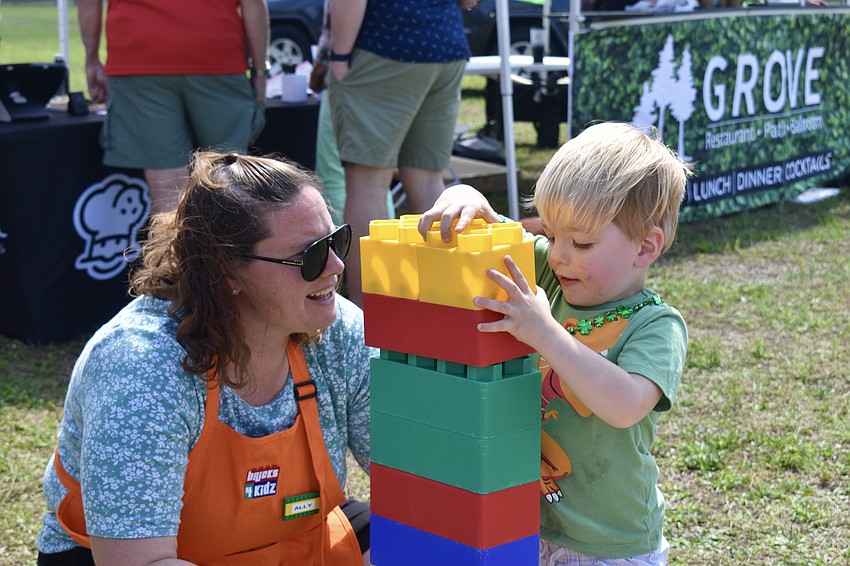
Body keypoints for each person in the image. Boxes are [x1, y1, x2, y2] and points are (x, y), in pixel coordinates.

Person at [35, 152, 374, 566]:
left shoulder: (338, 331)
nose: (337, 267)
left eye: (336, 241)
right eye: (309, 257)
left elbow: (427, 477)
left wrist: (466, 301)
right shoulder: (142, 366)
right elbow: (138, 561)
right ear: (226, 271)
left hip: (290, 539)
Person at [418, 122, 692, 565]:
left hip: (609, 543)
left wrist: (546, 333)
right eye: (551, 234)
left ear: (645, 248)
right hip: (524, 523)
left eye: (581, 243)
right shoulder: (552, 273)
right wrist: (464, 194)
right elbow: (495, 229)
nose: (560, 253)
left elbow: (624, 404)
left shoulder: (655, 324)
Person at [326, 0, 476, 305]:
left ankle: (371, 312)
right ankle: (446, 302)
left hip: (385, 47)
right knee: (428, 182)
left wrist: (338, 55)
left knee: (368, 184)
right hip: (445, 44)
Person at [77, 0, 270, 215]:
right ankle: (225, 248)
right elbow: (253, 4)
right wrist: (260, 72)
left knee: (168, 186)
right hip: (215, 53)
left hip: (140, 54)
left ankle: (173, 248)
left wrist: (92, 59)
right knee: (226, 175)